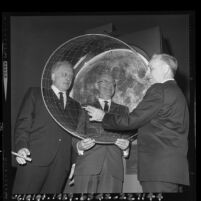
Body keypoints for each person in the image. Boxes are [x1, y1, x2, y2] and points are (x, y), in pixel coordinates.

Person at [85, 54, 189, 193]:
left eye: (151, 69)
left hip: (158, 170)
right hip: (171, 170)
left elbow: (132, 120)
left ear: (164, 69)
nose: (147, 74)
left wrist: (103, 116)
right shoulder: (177, 92)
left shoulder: (159, 89)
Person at [12, 61, 81, 194]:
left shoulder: (75, 106)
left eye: (71, 76)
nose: (68, 78)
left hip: (61, 166)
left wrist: (74, 162)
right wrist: (21, 146)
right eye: (64, 74)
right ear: (53, 76)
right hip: (33, 160)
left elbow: (74, 136)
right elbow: (23, 124)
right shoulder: (36, 94)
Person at [71, 73, 130, 193]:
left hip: (113, 168)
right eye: (105, 82)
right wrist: (79, 146)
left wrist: (126, 148)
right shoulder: (84, 107)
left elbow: (126, 137)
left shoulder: (123, 110)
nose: (109, 85)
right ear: (97, 85)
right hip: (87, 165)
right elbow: (76, 135)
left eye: (112, 83)